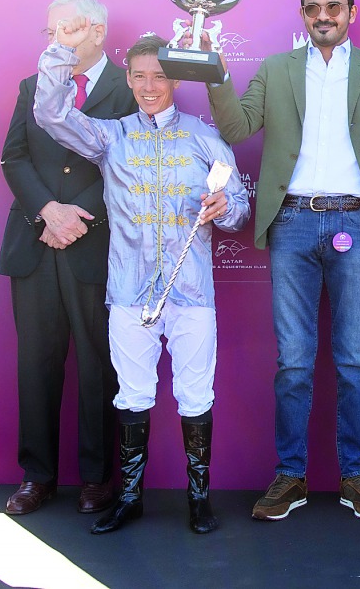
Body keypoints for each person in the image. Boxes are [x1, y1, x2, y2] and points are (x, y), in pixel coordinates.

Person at [207, 0, 360, 520]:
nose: (323, 16)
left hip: (355, 224)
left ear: (352, 13)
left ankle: (357, 476)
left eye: (333, 7)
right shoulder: (276, 68)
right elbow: (237, 129)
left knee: (355, 359)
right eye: (313, 7)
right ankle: (290, 476)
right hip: (290, 222)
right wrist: (210, 67)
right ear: (303, 14)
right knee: (293, 362)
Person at [35, 27, 249, 534]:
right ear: (127, 79)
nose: (149, 86)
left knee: (196, 395)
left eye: (159, 75)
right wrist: (62, 51)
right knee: (132, 396)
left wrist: (226, 208)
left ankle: (200, 499)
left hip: (191, 290)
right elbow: (51, 115)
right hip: (129, 292)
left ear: (175, 79)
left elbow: (239, 211)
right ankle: (129, 498)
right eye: (139, 76)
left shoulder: (204, 137)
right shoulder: (111, 136)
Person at [0, 0, 135, 518]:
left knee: (99, 366)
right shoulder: (32, 87)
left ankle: (98, 477)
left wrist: (77, 216)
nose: (59, 39)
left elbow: (132, 163)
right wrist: (48, 211)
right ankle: (38, 476)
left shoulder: (132, 88)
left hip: (96, 244)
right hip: (35, 241)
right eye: (51, 31)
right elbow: (14, 157)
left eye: (70, 28)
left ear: (97, 31)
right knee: (36, 364)